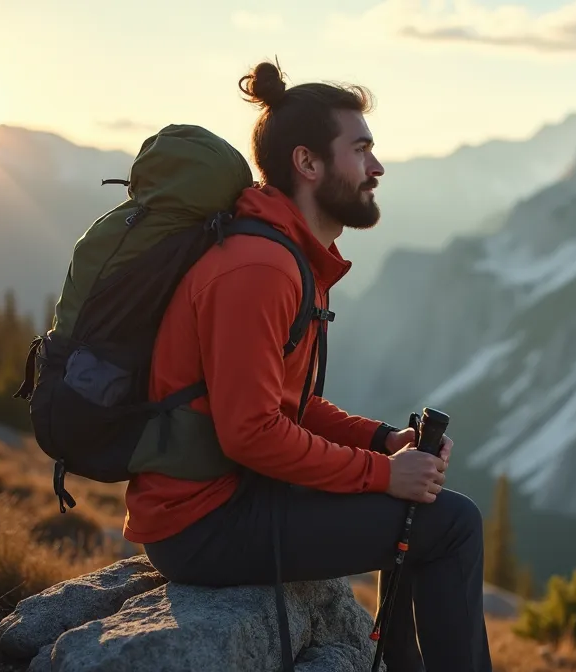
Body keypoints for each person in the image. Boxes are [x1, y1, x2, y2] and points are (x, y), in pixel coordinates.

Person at [122, 60, 493, 672]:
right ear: (309, 164)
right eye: (362, 149)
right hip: (203, 524)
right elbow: (250, 431)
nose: (376, 168)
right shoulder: (260, 269)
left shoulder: (288, 254)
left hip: (230, 497)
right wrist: (381, 474)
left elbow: (285, 406)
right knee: (454, 524)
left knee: (426, 513)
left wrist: (384, 442)